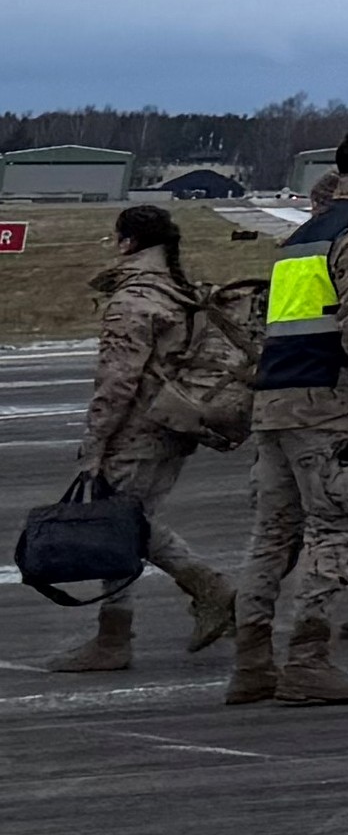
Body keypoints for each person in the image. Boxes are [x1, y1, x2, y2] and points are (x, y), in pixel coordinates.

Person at [239, 121, 348, 707]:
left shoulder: (307, 231)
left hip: (276, 400)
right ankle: (308, 662)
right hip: (330, 402)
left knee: (272, 537)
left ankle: (252, 666)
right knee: (338, 528)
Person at [47, 203, 244, 672]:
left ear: (128, 243)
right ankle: (133, 626)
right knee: (133, 523)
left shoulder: (133, 300)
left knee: (120, 524)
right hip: (177, 425)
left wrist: (95, 444)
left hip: (139, 429)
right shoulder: (179, 290)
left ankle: (199, 595)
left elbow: (117, 382)